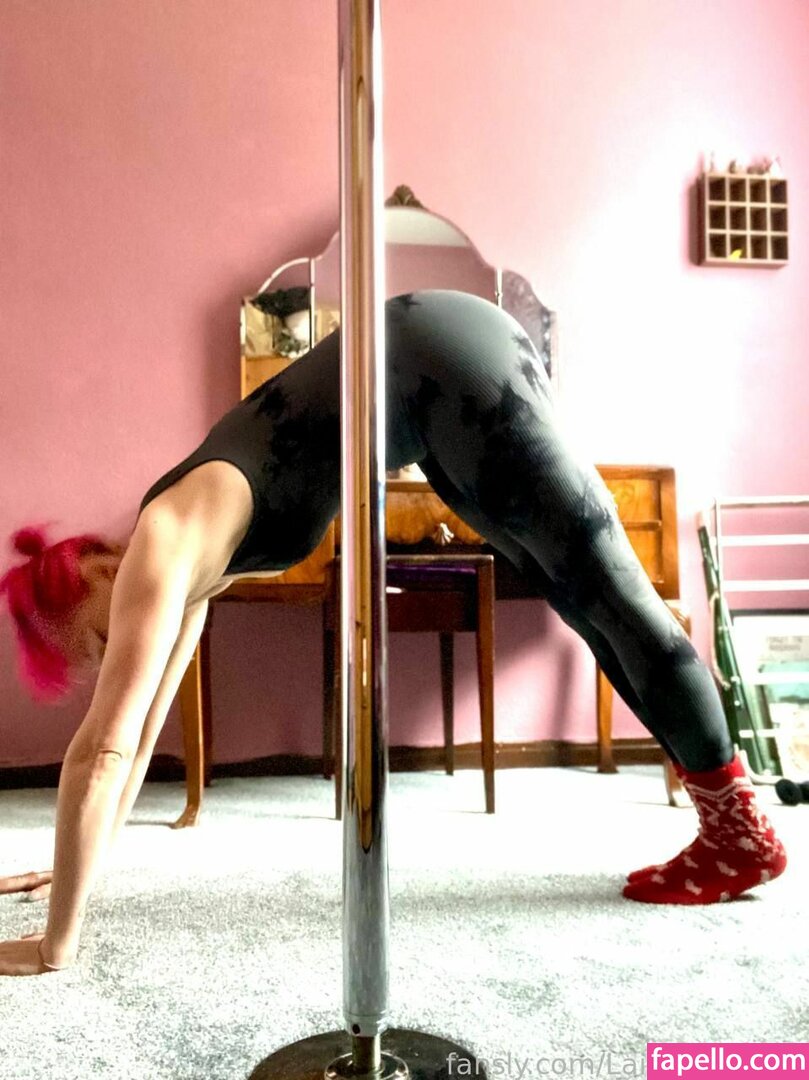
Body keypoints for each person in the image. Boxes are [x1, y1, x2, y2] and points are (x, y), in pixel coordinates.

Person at [0, 290, 787, 977]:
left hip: (441, 361)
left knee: (607, 590)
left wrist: (54, 946)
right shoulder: (189, 556)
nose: (114, 652)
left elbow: (101, 748)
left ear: (98, 571)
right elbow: (138, 743)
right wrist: (78, 869)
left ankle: (738, 833)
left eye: (97, 639)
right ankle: (726, 828)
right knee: (581, 599)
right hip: (436, 378)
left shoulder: (161, 542)